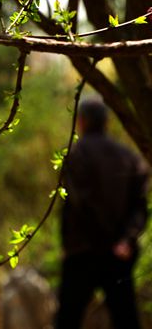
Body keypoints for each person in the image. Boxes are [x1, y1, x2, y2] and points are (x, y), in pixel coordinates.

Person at [56, 98, 149, 329]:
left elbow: (80, 206)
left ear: (81, 121)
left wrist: (101, 242)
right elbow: (140, 208)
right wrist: (125, 240)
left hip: (83, 253)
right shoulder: (129, 157)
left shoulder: (76, 155)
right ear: (107, 122)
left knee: (68, 319)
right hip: (119, 254)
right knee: (126, 319)